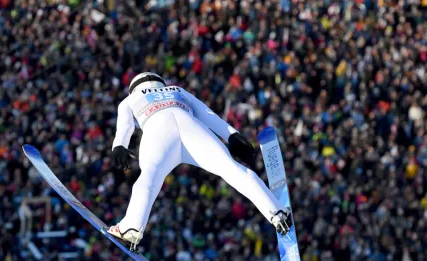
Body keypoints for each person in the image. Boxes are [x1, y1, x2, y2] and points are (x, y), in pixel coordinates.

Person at [107, 72, 291, 248]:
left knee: (148, 179)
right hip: (191, 127)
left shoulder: (129, 99)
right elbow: (206, 114)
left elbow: (124, 126)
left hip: (157, 129)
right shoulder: (176, 89)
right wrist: (232, 135)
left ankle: (132, 228)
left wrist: (119, 146)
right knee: (232, 170)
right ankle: (277, 212)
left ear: (134, 88)